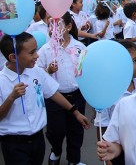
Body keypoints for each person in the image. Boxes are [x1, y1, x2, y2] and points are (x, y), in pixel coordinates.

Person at [0, 32, 90, 165]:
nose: (37, 55)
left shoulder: (36, 71)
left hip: (38, 140)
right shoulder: (2, 81)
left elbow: (53, 92)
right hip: (14, 144)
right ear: (13, 57)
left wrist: (75, 112)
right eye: (31, 53)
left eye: (36, 50)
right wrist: (11, 98)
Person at [37, 12, 89, 165]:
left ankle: (74, 159)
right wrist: (48, 71)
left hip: (77, 95)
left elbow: (86, 70)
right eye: (50, 26)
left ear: (68, 26)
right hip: (55, 98)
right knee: (56, 131)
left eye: (57, 26)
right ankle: (56, 150)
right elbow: (38, 74)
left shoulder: (80, 47)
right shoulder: (45, 50)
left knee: (76, 130)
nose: (53, 30)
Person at [94, 40, 136, 165]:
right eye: (134, 60)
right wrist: (108, 160)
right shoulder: (107, 93)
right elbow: (103, 127)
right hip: (118, 148)